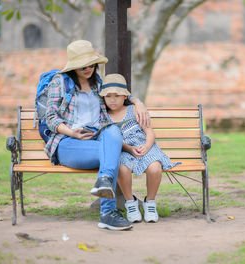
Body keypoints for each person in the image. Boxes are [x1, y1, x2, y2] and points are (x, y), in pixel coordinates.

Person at [44, 40, 149, 231]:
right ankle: (108, 213)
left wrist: (137, 102)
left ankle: (105, 185)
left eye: (92, 64)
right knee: (111, 154)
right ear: (74, 67)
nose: (89, 68)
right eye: (83, 65)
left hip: (98, 136)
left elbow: (120, 92)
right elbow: (50, 117)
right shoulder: (59, 83)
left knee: (113, 130)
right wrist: (71, 133)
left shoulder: (98, 82)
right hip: (68, 142)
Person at [100, 74, 180, 223]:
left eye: (116, 95)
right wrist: (129, 148)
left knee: (155, 167)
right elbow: (111, 140)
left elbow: (149, 131)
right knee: (122, 168)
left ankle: (150, 202)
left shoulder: (134, 110)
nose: (112, 99)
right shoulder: (104, 116)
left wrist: (147, 146)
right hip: (123, 149)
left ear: (125, 96)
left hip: (145, 146)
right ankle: (130, 203)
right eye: (108, 96)